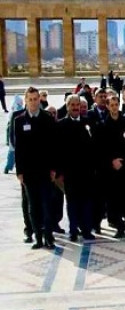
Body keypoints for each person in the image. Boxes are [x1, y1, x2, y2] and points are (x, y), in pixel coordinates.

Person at [14, 87, 57, 250]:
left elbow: (54, 147)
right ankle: (38, 238)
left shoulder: (47, 118)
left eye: (35, 99)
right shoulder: (19, 120)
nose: (33, 102)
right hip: (29, 172)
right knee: (33, 207)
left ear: (40, 99)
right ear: (26, 100)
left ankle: (49, 237)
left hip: (45, 171)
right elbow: (18, 148)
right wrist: (19, 172)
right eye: (30, 99)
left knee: (47, 205)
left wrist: (53, 169)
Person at [57, 94, 98, 242]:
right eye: (72, 105)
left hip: (87, 172)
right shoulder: (60, 125)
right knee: (72, 203)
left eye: (77, 105)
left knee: (87, 202)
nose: (75, 108)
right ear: (67, 107)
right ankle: (73, 230)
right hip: (70, 173)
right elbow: (58, 151)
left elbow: (94, 147)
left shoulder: (88, 123)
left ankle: (87, 230)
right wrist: (60, 172)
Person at [100, 94, 125, 238]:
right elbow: (102, 148)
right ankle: (119, 227)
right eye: (111, 105)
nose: (114, 108)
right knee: (114, 200)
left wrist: (124, 160)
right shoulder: (103, 125)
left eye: (116, 105)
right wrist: (112, 160)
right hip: (111, 169)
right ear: (108, 106)